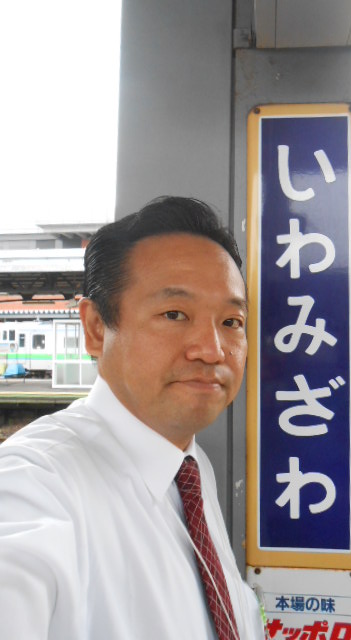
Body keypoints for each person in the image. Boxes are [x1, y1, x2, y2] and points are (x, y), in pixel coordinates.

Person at [0, 196, 265, 639]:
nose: (212, 350)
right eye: (174, 314)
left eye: (231, 322)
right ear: (96, 328)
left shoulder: (189, 469)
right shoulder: (35, 483)